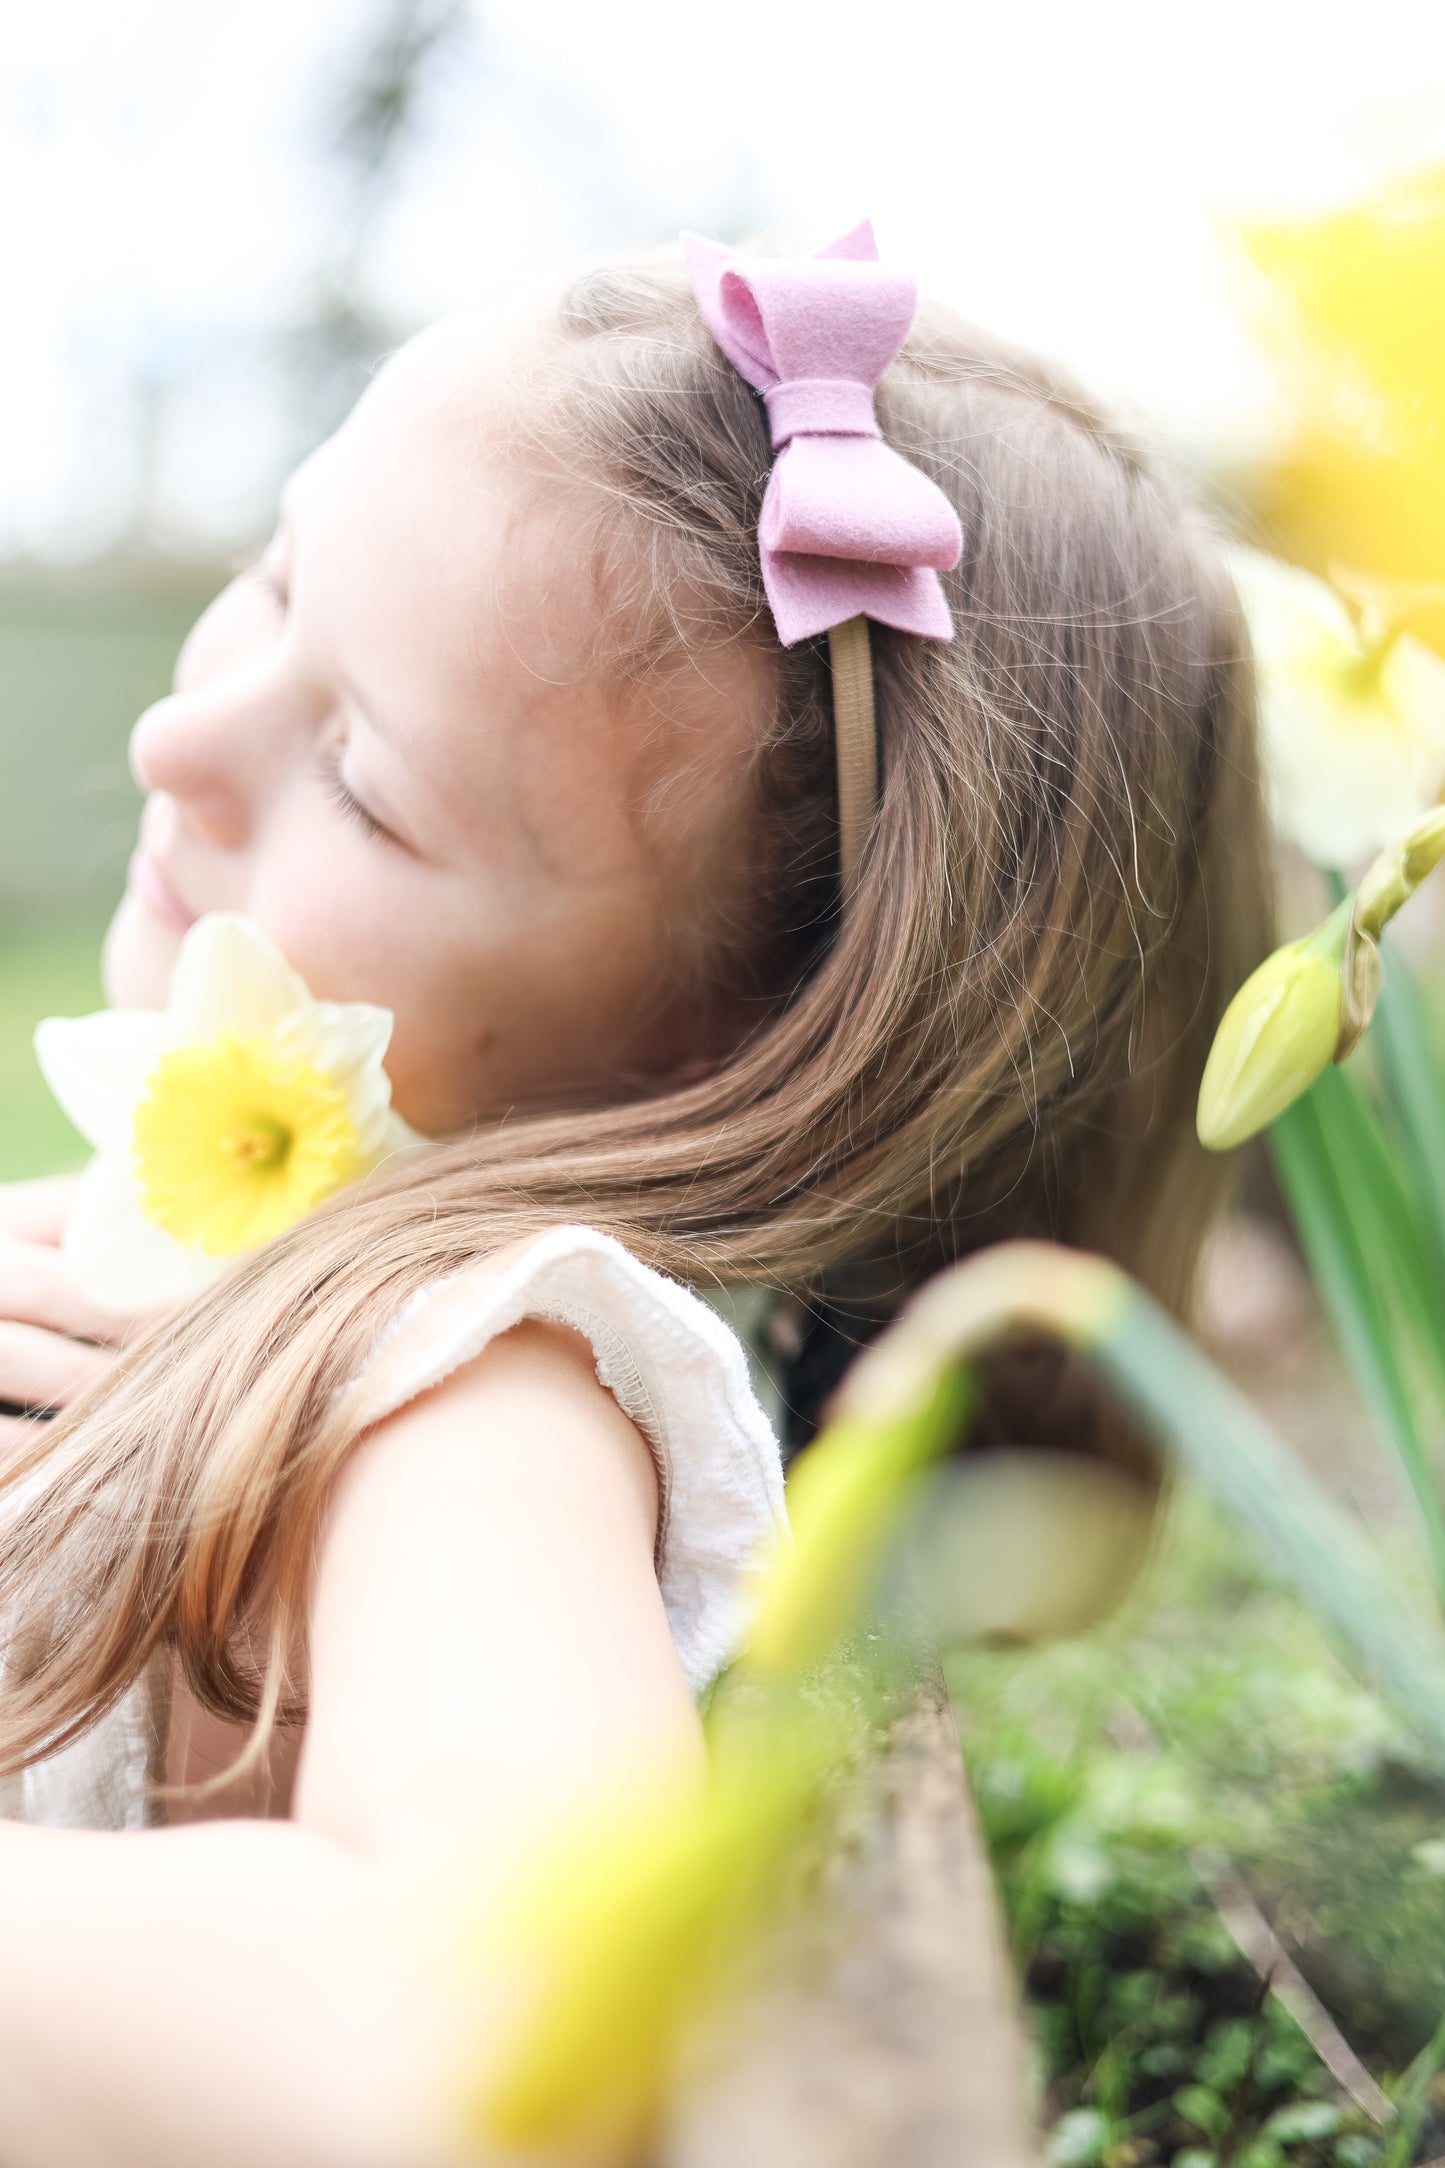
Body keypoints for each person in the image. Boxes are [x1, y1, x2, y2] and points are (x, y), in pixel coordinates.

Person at [0, 226, 1268, 2166]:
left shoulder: (469, 1384)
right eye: (272, 581)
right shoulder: (262, 1294)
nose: (183, 735)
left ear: (713, 1047)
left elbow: (467, 2032)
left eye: (364, 770)